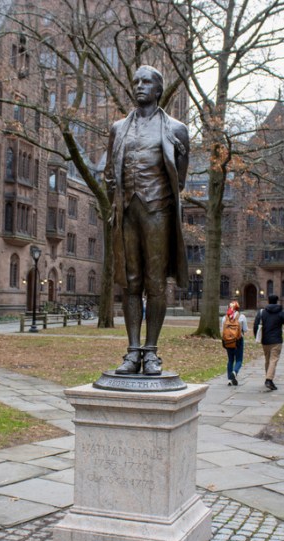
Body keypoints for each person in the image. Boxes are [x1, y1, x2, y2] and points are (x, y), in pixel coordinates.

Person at [105, 65, 190, 376]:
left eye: (147, 82)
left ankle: (151, 352)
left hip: (157, 211)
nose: (139, 86)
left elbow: (179, 180)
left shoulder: (176, 129)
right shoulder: (118, 128)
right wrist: (114, 197)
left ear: (158, 89)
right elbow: (109, 173)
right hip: (126, 211)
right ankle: (131, 352)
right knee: (130, 282)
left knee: (155, 283)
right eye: (136, 81)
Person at [253, 294, 284, 391]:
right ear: (277, 301)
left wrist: (256, 336)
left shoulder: (262, 312)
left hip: (265, 341)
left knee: (268, 360)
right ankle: (269, 379)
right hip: (276, 340)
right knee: (273, 360)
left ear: (268, 301)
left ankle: (268, 378)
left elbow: (256, 324)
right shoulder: (281, 312)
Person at [220, 300, 247, 386]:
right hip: (238, 340)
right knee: (239, 359)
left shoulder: (225, 318)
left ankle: (229, 379)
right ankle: (235, 372)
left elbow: (222, 330)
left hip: (228, 341)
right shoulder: (241, 317)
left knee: (230, 360)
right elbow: (245, 329)